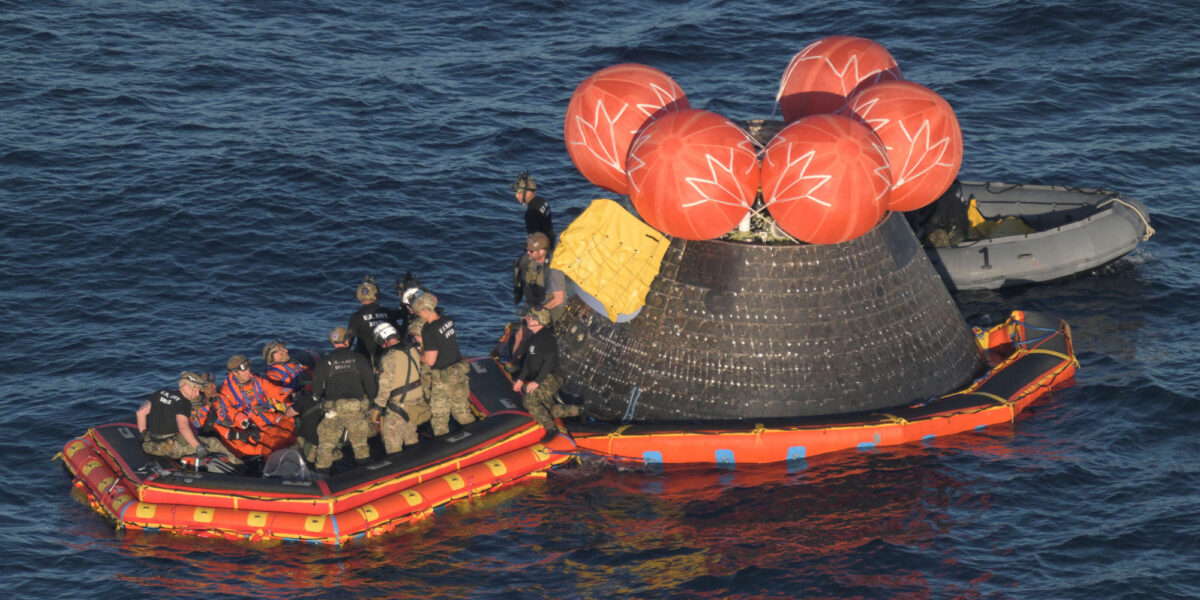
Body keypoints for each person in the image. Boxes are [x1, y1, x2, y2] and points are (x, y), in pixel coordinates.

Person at [311, 326, 378, 472]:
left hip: (332, 409)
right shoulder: (359, 359)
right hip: (355, 409)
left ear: (332, 342)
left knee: (326, 446)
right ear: (347, 341)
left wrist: (320, 400)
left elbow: (316, 389)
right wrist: (372, 402)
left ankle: (321, 475)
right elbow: (370, 385)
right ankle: (365, 474)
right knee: (360, 445)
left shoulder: (324, 361)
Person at [136, 371, 240, 464]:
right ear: (185, 386)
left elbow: (140, 412)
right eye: (195, 389)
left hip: (151, 444)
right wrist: (197, 446)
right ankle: (238, 465)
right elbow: (183, 427)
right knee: (214, 442)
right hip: (171, 448)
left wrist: (143, 435)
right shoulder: (184, 403)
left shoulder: (160, 393)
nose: (197, 393)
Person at [510, 307, 581, 441]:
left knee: (530, 401)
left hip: (551, 377)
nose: (527, 319)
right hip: (541, 377)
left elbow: (550, 361)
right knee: (548, 409)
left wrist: (537, 381)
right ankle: (578, 411)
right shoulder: (533, 338)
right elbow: (528, 362)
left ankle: (551, 429)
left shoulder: (547, 338)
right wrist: (520, 379)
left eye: (531, 318)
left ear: (539, 321)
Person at [411, 293, 476, 436]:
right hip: (458, 371)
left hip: (443, 378)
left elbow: (430, 360)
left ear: (424, 311)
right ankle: (479, 438)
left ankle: (444, 443)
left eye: (418, 312)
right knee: (462, 411)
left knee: (439, 418)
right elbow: (441, 340)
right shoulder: (447, 320)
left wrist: (417, 354)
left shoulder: (429, 330)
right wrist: (424, 340)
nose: (419, 315)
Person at [370, 322, 431, 454]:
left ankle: (397, 462)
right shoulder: (412, 349)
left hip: (399, 405)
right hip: (416, 401)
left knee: (392, 442)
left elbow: (385, 386)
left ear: (383, 339)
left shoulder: (389, 356)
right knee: (411, 435)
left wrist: (377, 408)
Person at [347, 275, 400, 365]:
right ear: (376, 296)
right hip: (387, 357)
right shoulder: (387, 312)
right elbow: (397, 333)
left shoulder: (356, 317)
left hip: (366, 361)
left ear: (359, 297)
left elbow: (348, 342)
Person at [512, 171, 554, 248]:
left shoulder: (531, 213)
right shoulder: (543, 201)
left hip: (543, 249)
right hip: (551, 242)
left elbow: (534, 239)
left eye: (519, 193)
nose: (516, 196)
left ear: (528, 192)